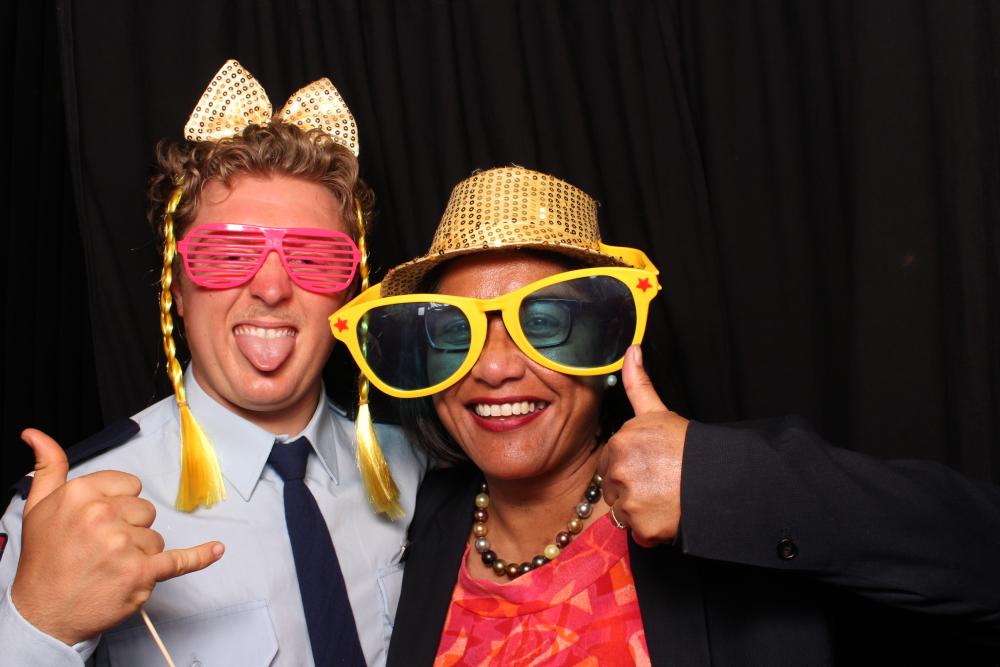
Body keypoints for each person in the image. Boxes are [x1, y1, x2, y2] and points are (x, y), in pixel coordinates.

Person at [328, 166, 1000, 664]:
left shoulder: (724, 501)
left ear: (611, 340)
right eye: (455, 332)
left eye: (546, 323)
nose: (496, 367)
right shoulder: (419, 527)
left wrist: (714, 484)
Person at [0, 60, 423, 666]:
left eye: (314, 258)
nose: (271, 289)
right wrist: (42, 623)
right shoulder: (67, 515)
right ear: (175, 285)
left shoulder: (420, 471)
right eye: (227, 254)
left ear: (349, 292)